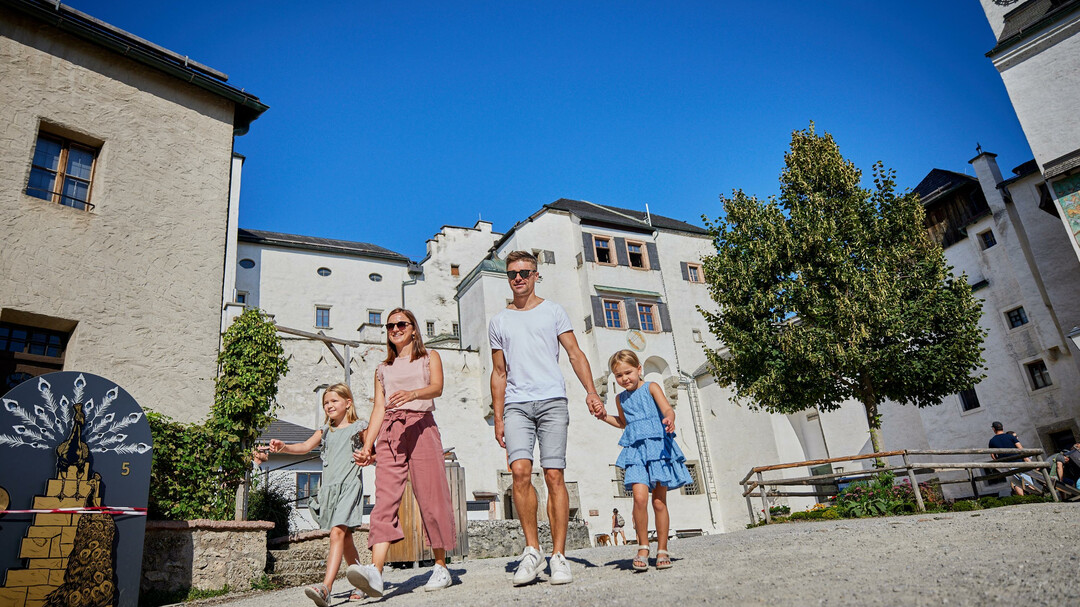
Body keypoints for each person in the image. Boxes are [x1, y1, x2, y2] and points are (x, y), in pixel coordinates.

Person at [490, 250, 606, 587]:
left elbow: (575, 353)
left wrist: (591, 391)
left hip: (552, 400)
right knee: (520, 473)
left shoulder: (553, 311)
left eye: (525, 272)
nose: (519, 279)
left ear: (536, 274)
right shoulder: (499, 320)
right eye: (512, 274)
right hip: (516, 404)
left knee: (555, 474)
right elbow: (499, 372)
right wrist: (498, 417)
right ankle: (532, 550)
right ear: (507, 277)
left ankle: (559, 556)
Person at [349, 308, 457, 597]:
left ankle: (440, 565)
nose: (395, 328)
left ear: (413, 328)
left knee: (430, 496)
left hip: (421, 426)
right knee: (384, 500)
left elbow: (437, 387)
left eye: (401, 324)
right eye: (390, 325)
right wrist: (367, 445)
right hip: (390, 432)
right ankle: (376, 572)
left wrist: (413, 394)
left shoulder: (429, 357)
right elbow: (378, 409)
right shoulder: (383, 368)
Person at [255, 384, 368, 606]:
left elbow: (373, 450)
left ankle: (326, 587)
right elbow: (305, 447)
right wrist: (284, 447)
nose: (329, 405)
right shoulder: (325, 431)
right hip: (329, 489)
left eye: (334, 401)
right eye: (326, 402)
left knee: (337, 533)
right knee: (345, 538)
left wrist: (371, 457)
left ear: (348, 403)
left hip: (349, 486)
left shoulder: (359, 428)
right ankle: (361, 583)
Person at [598, 350, 692, 571]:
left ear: (639, 369)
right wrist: (604, 417)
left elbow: (667, 408)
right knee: (639, 499)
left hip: (658, 448)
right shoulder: (619, 398)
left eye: (628, 372)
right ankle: (642, 546)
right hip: (636, 451)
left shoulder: (651, 387)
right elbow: (623, 422)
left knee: (659, 501)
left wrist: (670, 417)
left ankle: (662, 548)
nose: (624, 379)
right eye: (618, 375)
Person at [987, 421, 1031, 496]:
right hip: (1019, 462)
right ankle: (1033, 495)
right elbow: (1020, 448)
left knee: (1016, 482)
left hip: (1007, 464)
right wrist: (1026, 459)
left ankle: (1023, 498)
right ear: (1002, 427)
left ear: (993, 429)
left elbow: (993, 455)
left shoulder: (992, 441)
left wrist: (999, 462)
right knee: (1027, 480)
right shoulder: (1010, 437)